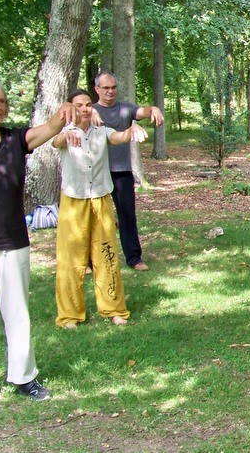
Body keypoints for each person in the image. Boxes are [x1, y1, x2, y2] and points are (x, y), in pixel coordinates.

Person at [0, 77, 77, 415]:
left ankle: (24, 376)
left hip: (13, 238)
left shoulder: (14, 139)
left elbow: (49, 127)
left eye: (1, 101)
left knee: (17, 311)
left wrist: (66, 112)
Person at [53, 90, 147, 328]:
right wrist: (66, 136)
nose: (84, 109)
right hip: (74, 201)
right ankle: (70, 315)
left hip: (100, 198)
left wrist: (131, 131)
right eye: (78, 105)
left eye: (87, 104)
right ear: (72, 108)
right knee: (72, 258)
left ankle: (114, 309)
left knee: (106, 254)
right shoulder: (65, 132)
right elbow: (56, 142)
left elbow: (117, 137)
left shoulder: (101, 131)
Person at [92, 72, 164, 270]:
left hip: (121, 171)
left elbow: (142, 111)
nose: (110, 91)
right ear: (97, 89)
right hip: (97, 173)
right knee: (94, 218)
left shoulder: (125, 108)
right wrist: (87, 111)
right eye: (106, 88)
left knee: (127, 216)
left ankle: (134, 258)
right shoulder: (89, 111)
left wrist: (154, 109)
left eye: (113, 87)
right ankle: (89, 261)